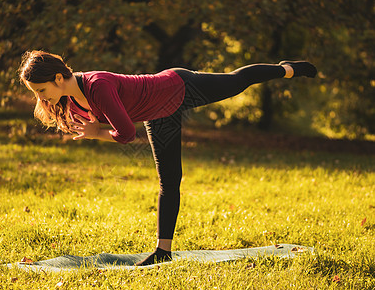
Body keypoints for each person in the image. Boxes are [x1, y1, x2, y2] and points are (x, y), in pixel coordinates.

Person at [18, 50, 317, 266]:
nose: (41, 98)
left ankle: (287, 69)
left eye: (42, 90)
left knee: (238, 80)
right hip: (158, 116)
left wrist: (97, 133)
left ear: (59, 78)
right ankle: (163, 251)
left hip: (179, 87)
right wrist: (95, 127)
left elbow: (126, 134)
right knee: (169, 181)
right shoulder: (71, 96)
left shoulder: (97, 86)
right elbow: (121, 123)